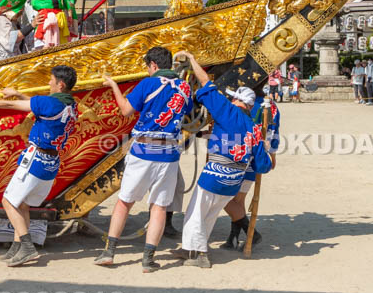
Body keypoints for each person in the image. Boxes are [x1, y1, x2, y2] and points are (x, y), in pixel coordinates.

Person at [93, 47, 193, 272]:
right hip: (169, 153)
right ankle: (148, 260)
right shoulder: (184, 87)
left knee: (125, 202)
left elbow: (126, 110)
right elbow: (187, 111)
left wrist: (114, 86)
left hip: (144, 150)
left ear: (153, 65)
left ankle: (109, 252)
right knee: (159, 207)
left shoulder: (148, 83)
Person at [170, 51, 270, 268]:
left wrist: (193, 60)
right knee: (209, 214)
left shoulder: (227, 111)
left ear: (236, 100)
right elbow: (263, 165)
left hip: (215, 174)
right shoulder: (254, 129)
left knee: (196, 213)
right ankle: (191, 249)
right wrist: (267, 150)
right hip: (234, 181)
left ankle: (200, 255)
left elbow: (205, 83)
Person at [0, 65, 78, 267]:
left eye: (51, 80)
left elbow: (12, 106)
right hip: (51, 162)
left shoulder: (50, 103)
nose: (48, 83)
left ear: (60, 84)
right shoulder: (71, 105)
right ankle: (17, 247)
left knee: (8, 201)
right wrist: (17, 94)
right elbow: (37, 105)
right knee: (22, 203)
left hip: (36, 159)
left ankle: (26, 246)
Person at [223, 92, 280, 249]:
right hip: (256, 158)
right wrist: (272, 156)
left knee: (225, 199)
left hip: (237, 157)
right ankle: (233, 237)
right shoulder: (272, 106)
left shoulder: (239, 103)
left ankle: (251, 234)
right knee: (237, 201)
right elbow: (274, 134)